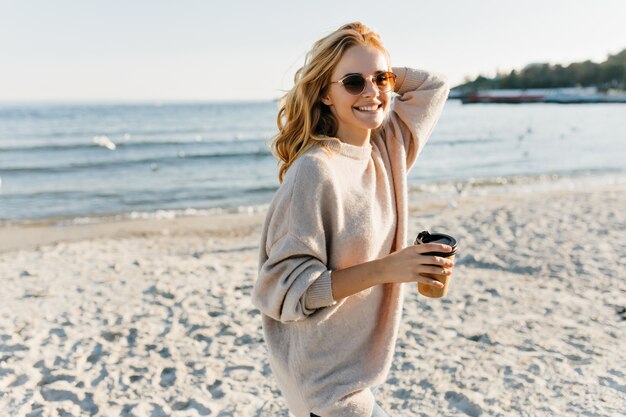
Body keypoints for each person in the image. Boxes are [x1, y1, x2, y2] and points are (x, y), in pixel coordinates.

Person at [251, 21, 455, 417]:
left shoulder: (386, 149)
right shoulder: (315, 171)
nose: (372, 92)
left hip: (356, 378)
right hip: (324, 387)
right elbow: (287, 292)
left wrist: (378, 70)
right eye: (352, 83)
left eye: (381, 79)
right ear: (325, 94)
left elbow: (434, 86)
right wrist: (389, 268)